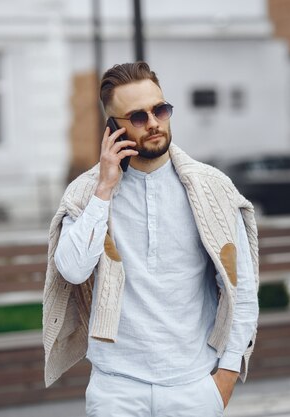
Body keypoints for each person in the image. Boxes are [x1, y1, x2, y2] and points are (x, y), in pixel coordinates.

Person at [42, 61, 259, 417]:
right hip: (116, 390)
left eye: (160, 109)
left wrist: (226, 377)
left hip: (193, 388)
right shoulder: (87, 194)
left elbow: (242, 291)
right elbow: (73, 270)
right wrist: (104, 189)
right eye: (138, 117)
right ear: (113, 127)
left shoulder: (212, 191)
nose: (154, 122)